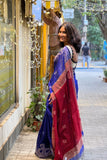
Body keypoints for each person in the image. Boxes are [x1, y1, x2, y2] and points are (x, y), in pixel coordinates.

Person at [35, 22, 84, 160]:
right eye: (60, 32)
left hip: (62, 88)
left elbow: (61, 74)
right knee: (67, 116)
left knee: (55, 115)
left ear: (71, 34)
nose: (61, 34)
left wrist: (53, 91)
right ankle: (68, 147)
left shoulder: (65, 50)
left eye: (64, 32)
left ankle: (57, 148)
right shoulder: (72, 49)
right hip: (71, 86)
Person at [42, 6, 62, 78]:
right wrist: (42, 10)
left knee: (56, 64)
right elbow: (44, 19)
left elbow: (53, 15)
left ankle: (57, 78)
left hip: (56, 46)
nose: (50, 15)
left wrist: (47, 8)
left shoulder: (57, 21)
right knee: (49, 64)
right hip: (51, 47)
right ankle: (49, 78)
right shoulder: (52, 22)